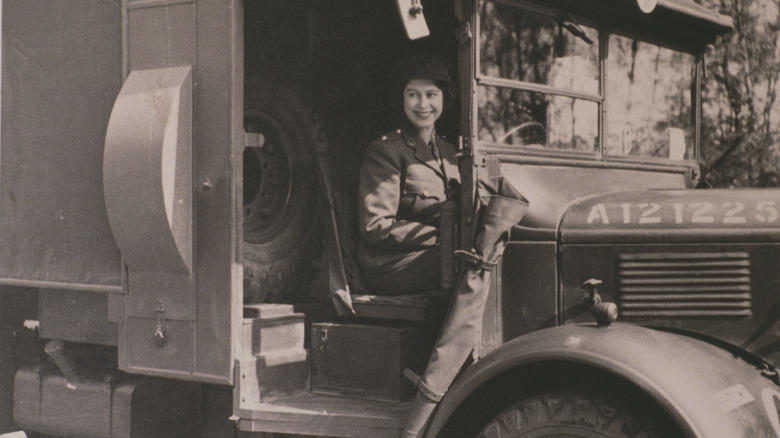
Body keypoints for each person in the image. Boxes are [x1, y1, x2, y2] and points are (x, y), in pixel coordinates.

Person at [357, 54, 459, 295]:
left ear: (445, 97)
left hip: (433, 257)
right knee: (466, 259)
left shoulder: (451, 152)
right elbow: (376, 226)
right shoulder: (386, 150)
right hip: (393, 265)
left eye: (431, 94)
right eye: (413, 94)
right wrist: (440, 237)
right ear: (401, 99)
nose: (423, 104)